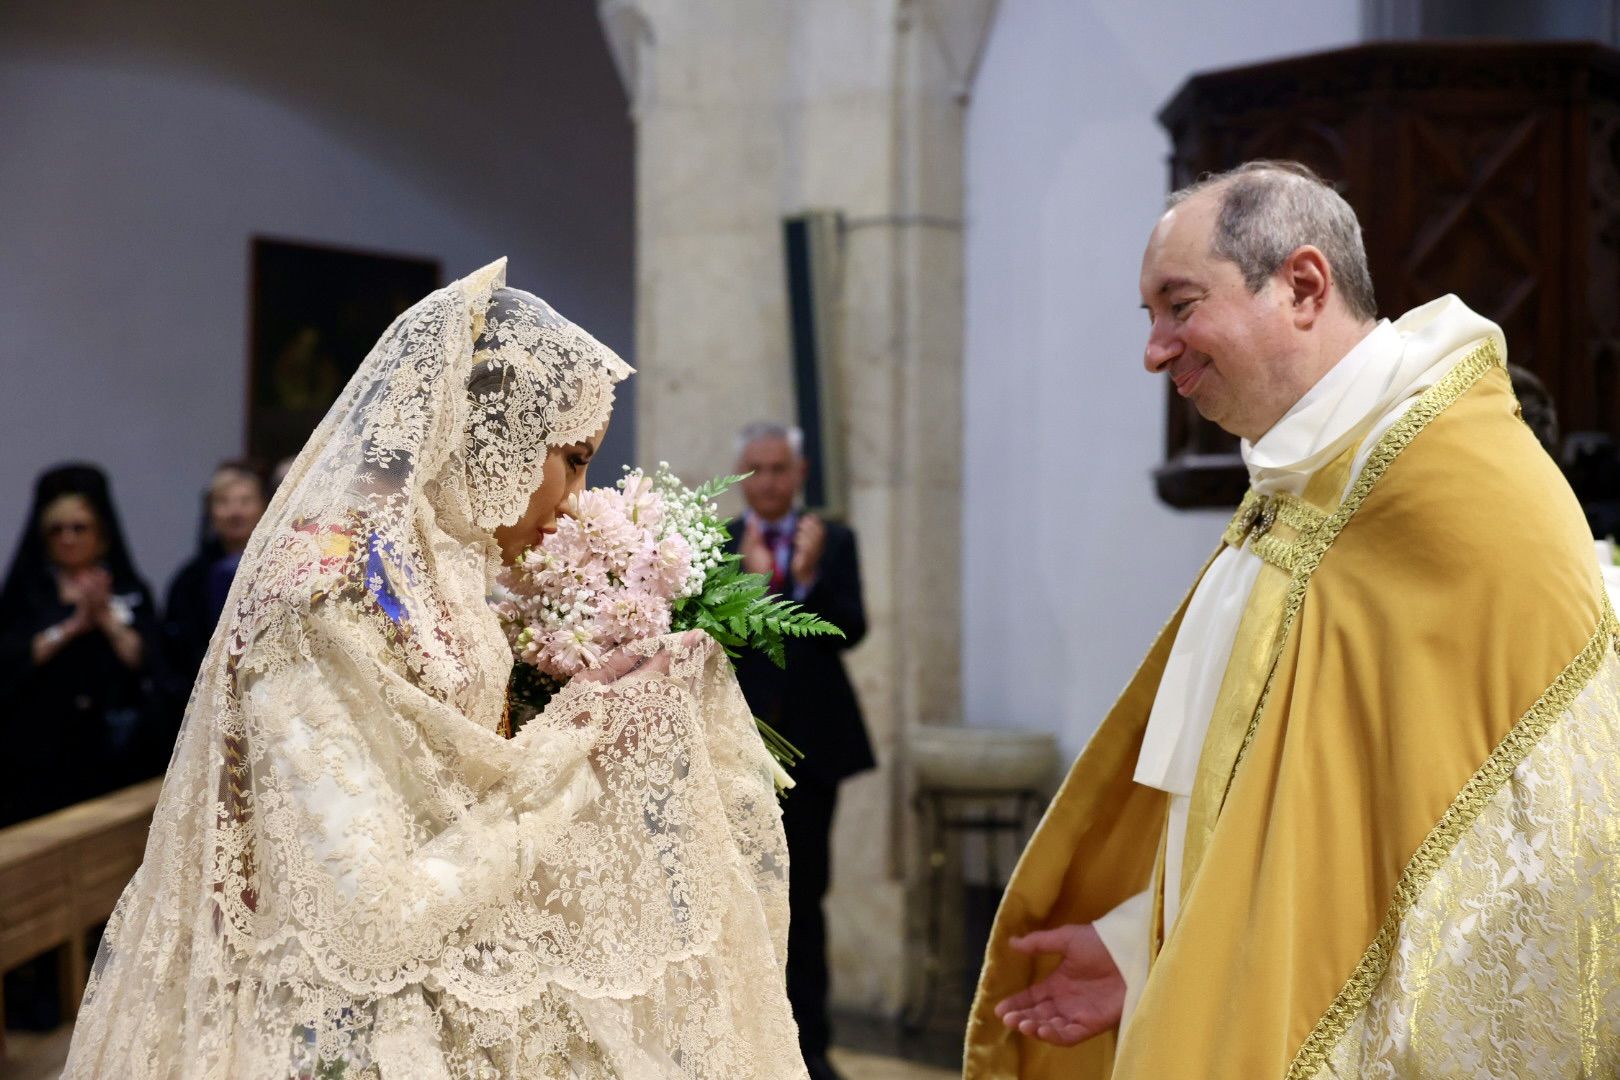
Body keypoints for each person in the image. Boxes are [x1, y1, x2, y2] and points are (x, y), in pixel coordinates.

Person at [65, 260, 806, 1078]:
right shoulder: (324, 591)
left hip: (446, 991)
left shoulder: (446, 566)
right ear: (498, 433)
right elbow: (369, 908)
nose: (575, 499)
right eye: (575, 458)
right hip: (339, 1018)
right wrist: (583, 731)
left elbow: (453, 788)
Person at [966, 162, 1620, 1077]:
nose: (1155, 350)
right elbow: (1285, 799)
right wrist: (1139, 946)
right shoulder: (1309, 481)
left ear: (1304, 286)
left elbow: (1490, 852)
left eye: (1179, 306)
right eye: (1149, 317)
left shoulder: (1448, 483)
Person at [725, 421, 872, 1080]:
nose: (766, 482)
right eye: (753, 469)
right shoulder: (720, 546)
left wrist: (806, 583)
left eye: (778, 469)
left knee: (805, 896)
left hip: (814, 749)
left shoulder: (834, 541)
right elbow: (717, 642)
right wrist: (758, 589)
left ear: (800, 473)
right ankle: (742, 1044)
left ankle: (810, 1047)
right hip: (741, 747)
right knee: (743, 898)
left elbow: (850, 629)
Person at [0, 462, 164, 826]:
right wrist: (70, 627)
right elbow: (10, 661)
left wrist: (104, 617)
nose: (68, 538)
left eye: (79, 528)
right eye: (57, 530)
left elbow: (148, 662)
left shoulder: (129, 590)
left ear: (102, 535)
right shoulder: (27, 595)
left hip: (114, 752)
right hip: (37, 755)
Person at [162, 461, 268, 713]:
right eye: (224, 502)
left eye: (245, 501)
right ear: (210, 511)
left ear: (264, 506)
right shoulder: (190, 578)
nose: (235, 512)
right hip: (205, 700)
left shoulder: (282, 566)